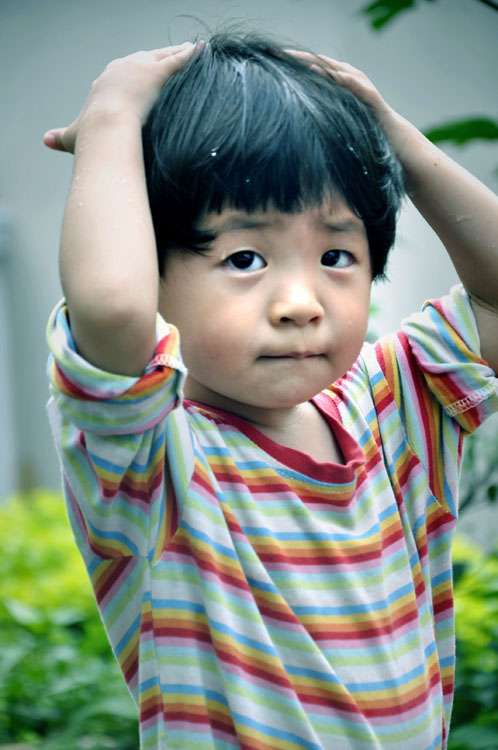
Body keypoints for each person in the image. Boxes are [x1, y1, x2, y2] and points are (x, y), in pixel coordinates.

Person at [43, 33, 498, 750]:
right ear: (149, 269)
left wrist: (390, 137)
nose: (300, 303)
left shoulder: (394, 408)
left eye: (336, 254)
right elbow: (112, 310)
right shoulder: (152, 457)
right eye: (244, 258)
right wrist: (113, 117)